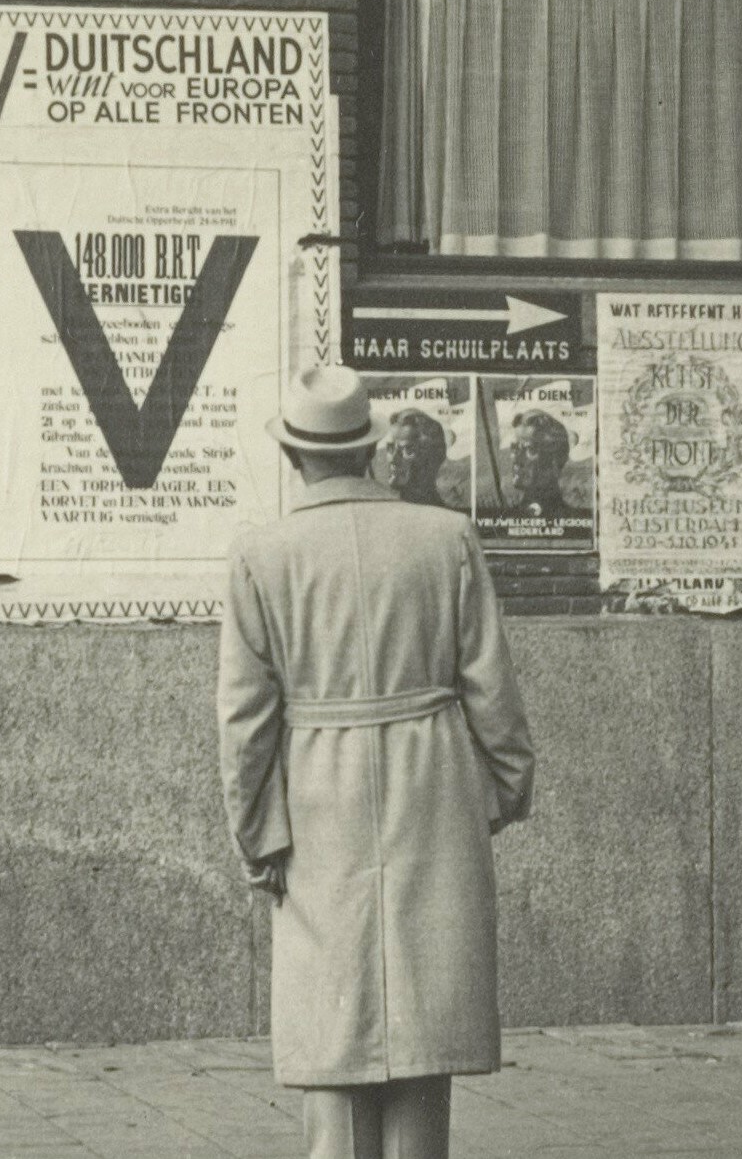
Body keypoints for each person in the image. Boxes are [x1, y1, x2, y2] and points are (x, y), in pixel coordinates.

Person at [218, 365, 536, 1159]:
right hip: (431, 786)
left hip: (316, 800)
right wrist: (496, 793)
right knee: (423, 1042)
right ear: (369, 450)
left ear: (294, 456)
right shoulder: (445, 537)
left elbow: (246, 720)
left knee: (334, 1043)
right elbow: (491, 687)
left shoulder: (262, 555)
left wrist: (259, 833)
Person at [499, 408, 586, 520]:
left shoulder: (575, 522)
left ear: (554, 460)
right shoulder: (504, 520)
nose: (516, 458)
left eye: (531, 449)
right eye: (515, 448)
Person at [379, 406, 452, 508]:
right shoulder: (385, 513)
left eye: (408, 450)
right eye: (390, 448)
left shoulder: (449, 519)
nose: (393, 459)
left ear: (431, 458)